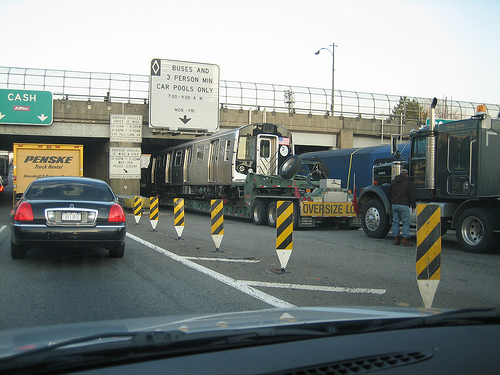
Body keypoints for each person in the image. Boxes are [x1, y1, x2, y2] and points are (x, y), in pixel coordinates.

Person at [390, 168, 416, 246]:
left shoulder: (393, 182)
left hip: (394, 205)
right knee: (406, 222)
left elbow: (390, 193)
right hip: (403, 205)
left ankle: (396, 239)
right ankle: (404, 240)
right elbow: (411, 195)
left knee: (395, 222)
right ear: (407, 175)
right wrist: (413, 206)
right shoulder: (408, 183)